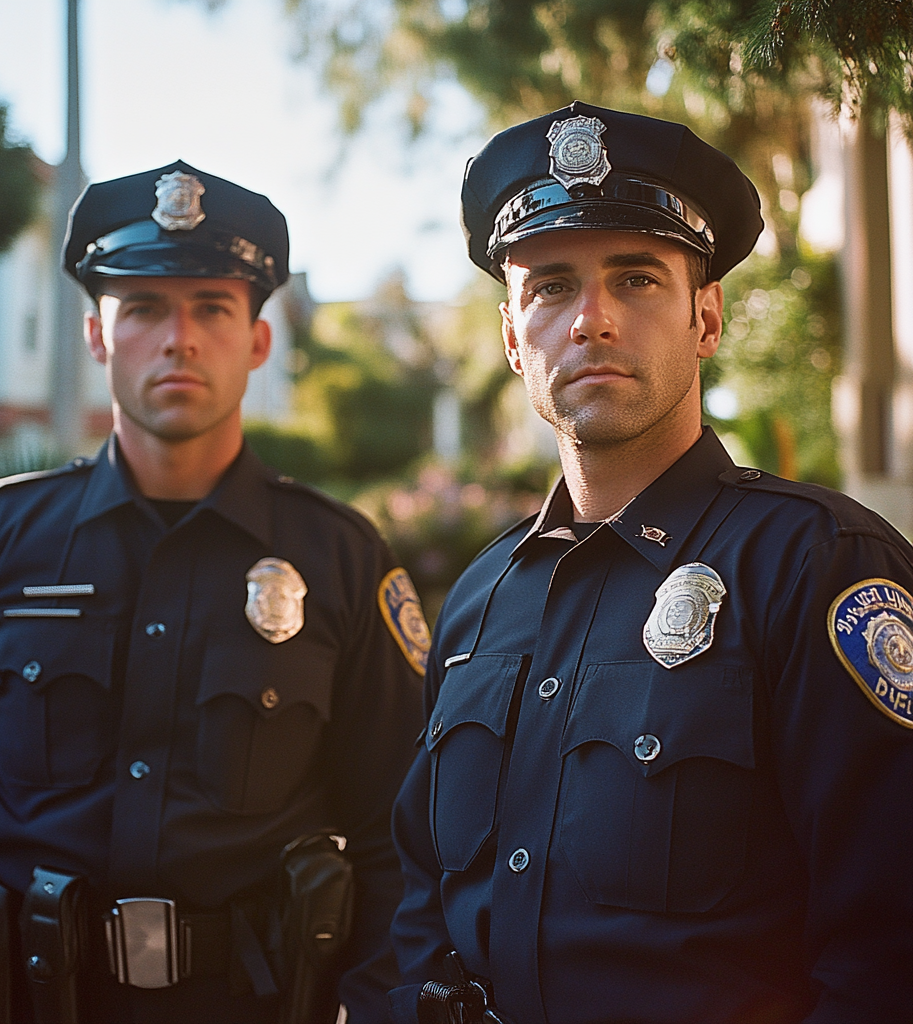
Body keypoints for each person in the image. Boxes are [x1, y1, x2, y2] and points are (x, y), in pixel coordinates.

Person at [388, 103, 913, 1023]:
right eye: (549, 287)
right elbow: (421, 900)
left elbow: (886, 954)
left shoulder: (817, 566)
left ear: (705, 318)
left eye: (635, 278)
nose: (590, 320)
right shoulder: (480, 599)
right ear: (513, 338)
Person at [0, 161, 427, 1024]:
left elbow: (399, 833)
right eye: (143, 308)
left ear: (257, 341)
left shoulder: (341, 559)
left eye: (212, 308)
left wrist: (364, 1005)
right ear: (99, 337)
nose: (178, 338)